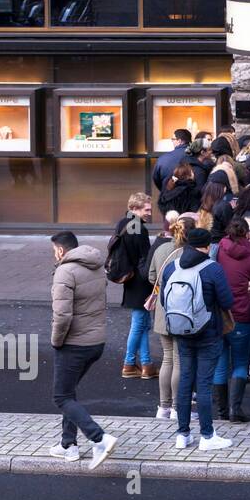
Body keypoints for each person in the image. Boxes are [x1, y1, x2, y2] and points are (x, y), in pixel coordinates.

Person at [159, 226, 234, 451]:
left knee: (184, 382)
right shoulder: (212, 268)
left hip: (181, 333)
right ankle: (207, 436)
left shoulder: (172, 266)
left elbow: (164, 300)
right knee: (203, 384)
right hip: (208, 334)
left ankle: (182, 434)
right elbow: (227, 301)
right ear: (208, 246)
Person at [49, 231, 118, 469]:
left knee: (61, 396)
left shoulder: (65, 271)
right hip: (95, 342)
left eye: (53, 251)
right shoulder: (96, 267)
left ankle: (99, 438)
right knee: (69, 393)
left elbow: (62, 315)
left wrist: (57, 342)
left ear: (60, 250)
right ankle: (68, 445)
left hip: (73, 344)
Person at [146, 213, 194, 421]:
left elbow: (151, 277)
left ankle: (163, 407)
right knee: (179, 361)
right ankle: (177, 407)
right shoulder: (190, 253)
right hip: (183, 313)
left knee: (166, 359)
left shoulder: (161, 249)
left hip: (162, 312)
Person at [215, 217, 250, 423]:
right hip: (243, 314)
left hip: (220, 314)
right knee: (241, 363)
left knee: (220, 363)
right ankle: (236, 410)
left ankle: (222, 411)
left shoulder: (218, 250)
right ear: (246, 233)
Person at [115, 193, 157, 379]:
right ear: (135, 208)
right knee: (139, 323)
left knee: (142, 324)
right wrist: (151, 281)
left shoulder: (123, 223)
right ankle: (129, 363)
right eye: (146, 209)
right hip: (140, 281)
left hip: (130, 279)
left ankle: (146, 364)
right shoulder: (138, 228)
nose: (150, 212)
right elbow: (144, 259)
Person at [151, 129, 193, 205]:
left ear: (179, 141)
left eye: (173, 139)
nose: (172, 142)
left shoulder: (163, 158)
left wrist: (165, 189)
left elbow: (156, 178)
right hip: (191, 201)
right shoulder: (197, 156)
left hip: (169, 200)